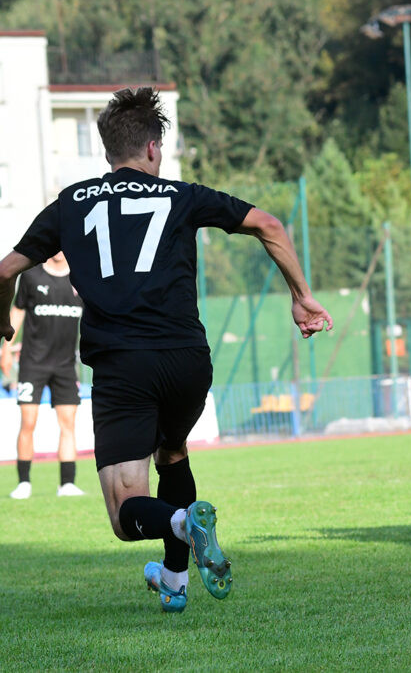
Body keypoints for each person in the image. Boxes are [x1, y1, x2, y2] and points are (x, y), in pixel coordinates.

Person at [0, 87, 333, 612]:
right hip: (188, 361)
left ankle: (182, 521)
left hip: (123, 365)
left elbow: (5, 272)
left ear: (108, 150)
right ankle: (175, 581)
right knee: (172, 452)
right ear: (153, 148)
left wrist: (3, 319)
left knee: (125, 512)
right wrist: (301, 296)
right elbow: (268, 225)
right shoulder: (183, 195)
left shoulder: (71, 203)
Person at [1, 252, 85, 499]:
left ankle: (67, 484)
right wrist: (6, 350)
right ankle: (24, 483)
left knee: (68, 423)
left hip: (66, 366)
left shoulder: (81, 277)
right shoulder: (31, 276)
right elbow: (17, 312)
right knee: (28, 422)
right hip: (32, 363)